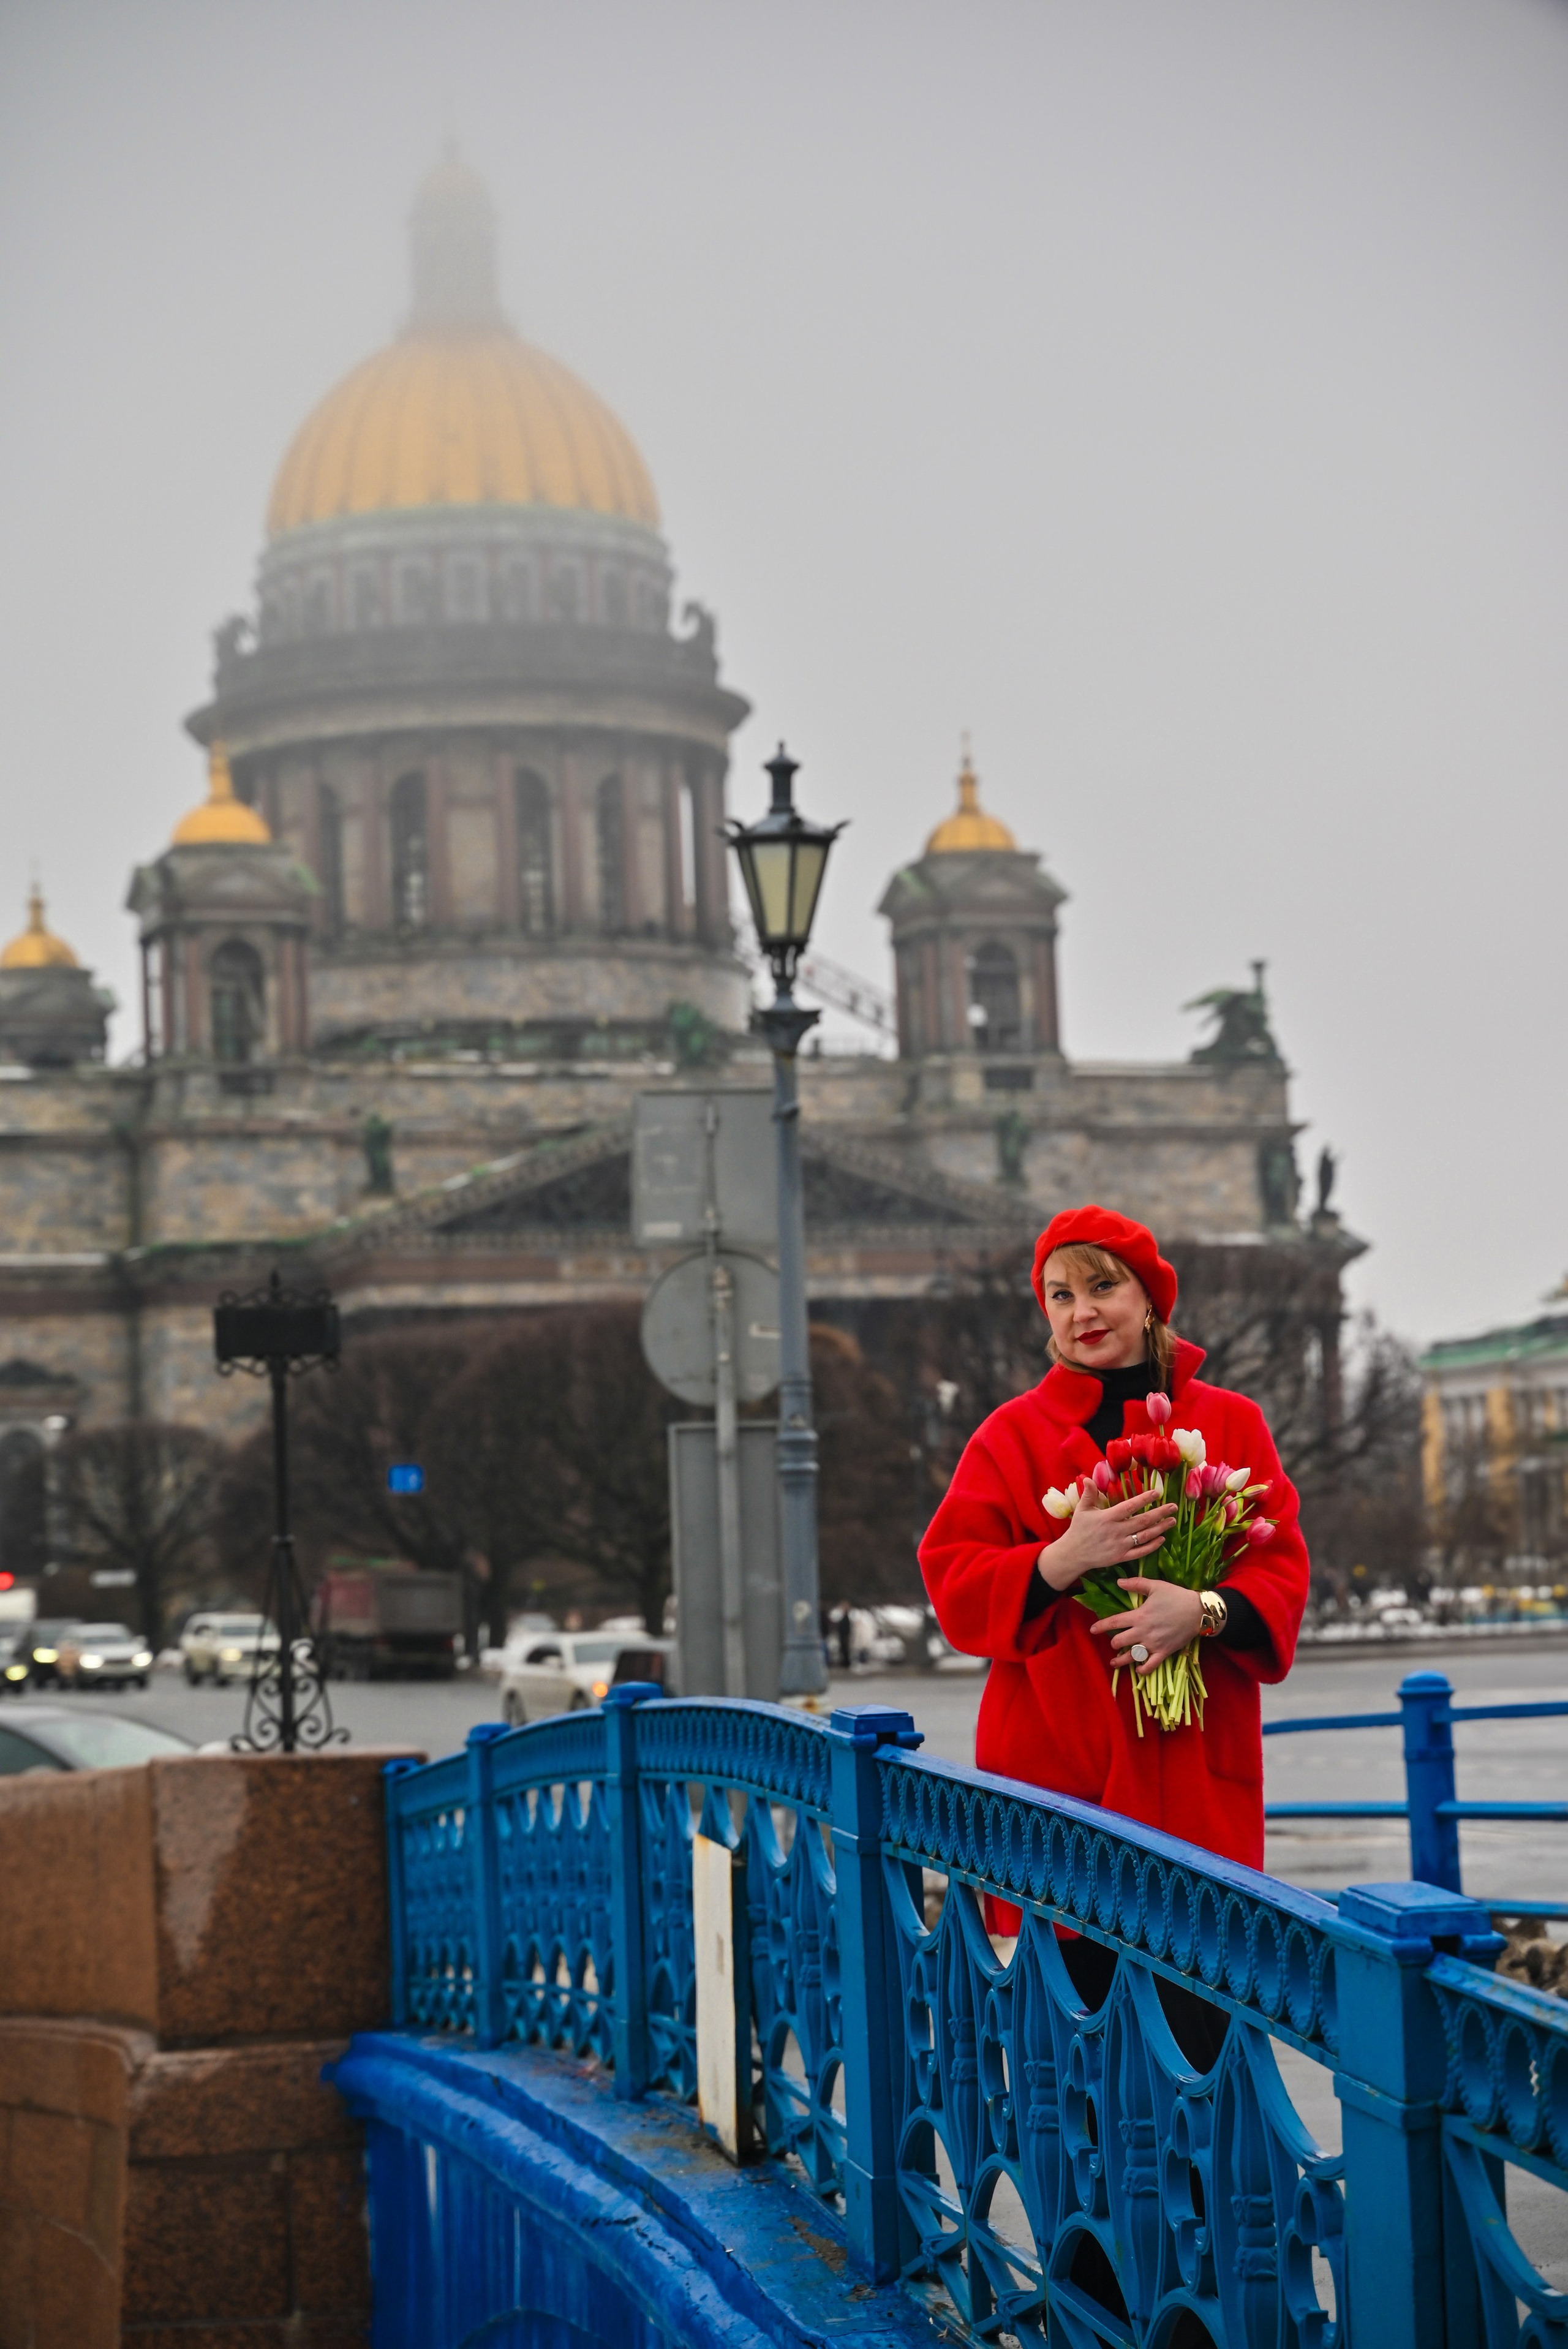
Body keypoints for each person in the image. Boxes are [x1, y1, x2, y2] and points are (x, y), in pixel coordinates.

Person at [919, 1203, 1309, 1923]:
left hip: (1194, 1784)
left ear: (1149, 1299)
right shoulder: (1009, 1436)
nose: (1081, 1312)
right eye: (1060, 1295)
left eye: (1102, 1288)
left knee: (1200, 2016)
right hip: (1057, 1788)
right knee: (1069, 2026)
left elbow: (1280, 1567)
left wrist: (1201, 1612)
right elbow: (952, 1581)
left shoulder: (1232, 1422)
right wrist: (1058, 1561)